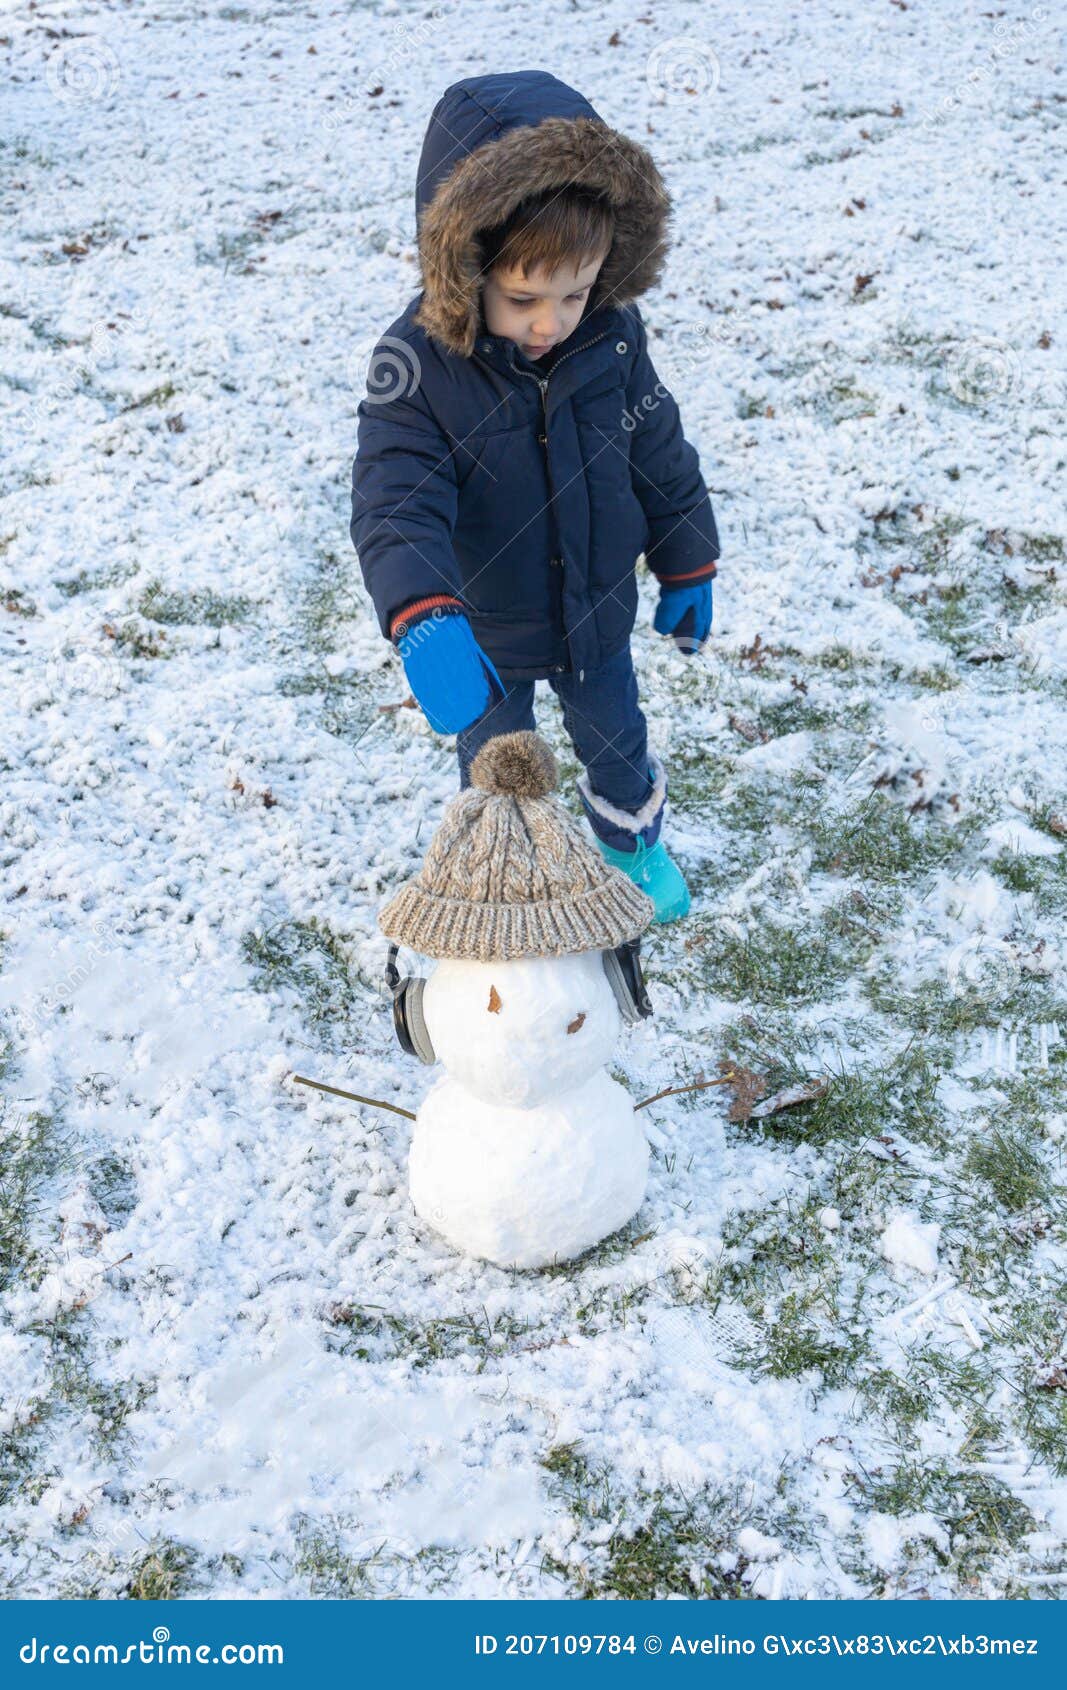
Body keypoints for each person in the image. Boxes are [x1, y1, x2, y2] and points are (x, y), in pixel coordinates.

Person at [350, 71, 720, 921]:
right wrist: (422, 612)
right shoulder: (417, 368)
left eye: (574, 293)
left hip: (594, 610)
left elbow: (657, 450)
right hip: (487, 626)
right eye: (523, 299)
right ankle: (504, 880)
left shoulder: (611, 339)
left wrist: (687, 558)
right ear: (466, 262)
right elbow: (393, 496)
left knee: (617, 742)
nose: (551, 322)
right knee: (498, 762)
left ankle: (631, 847)